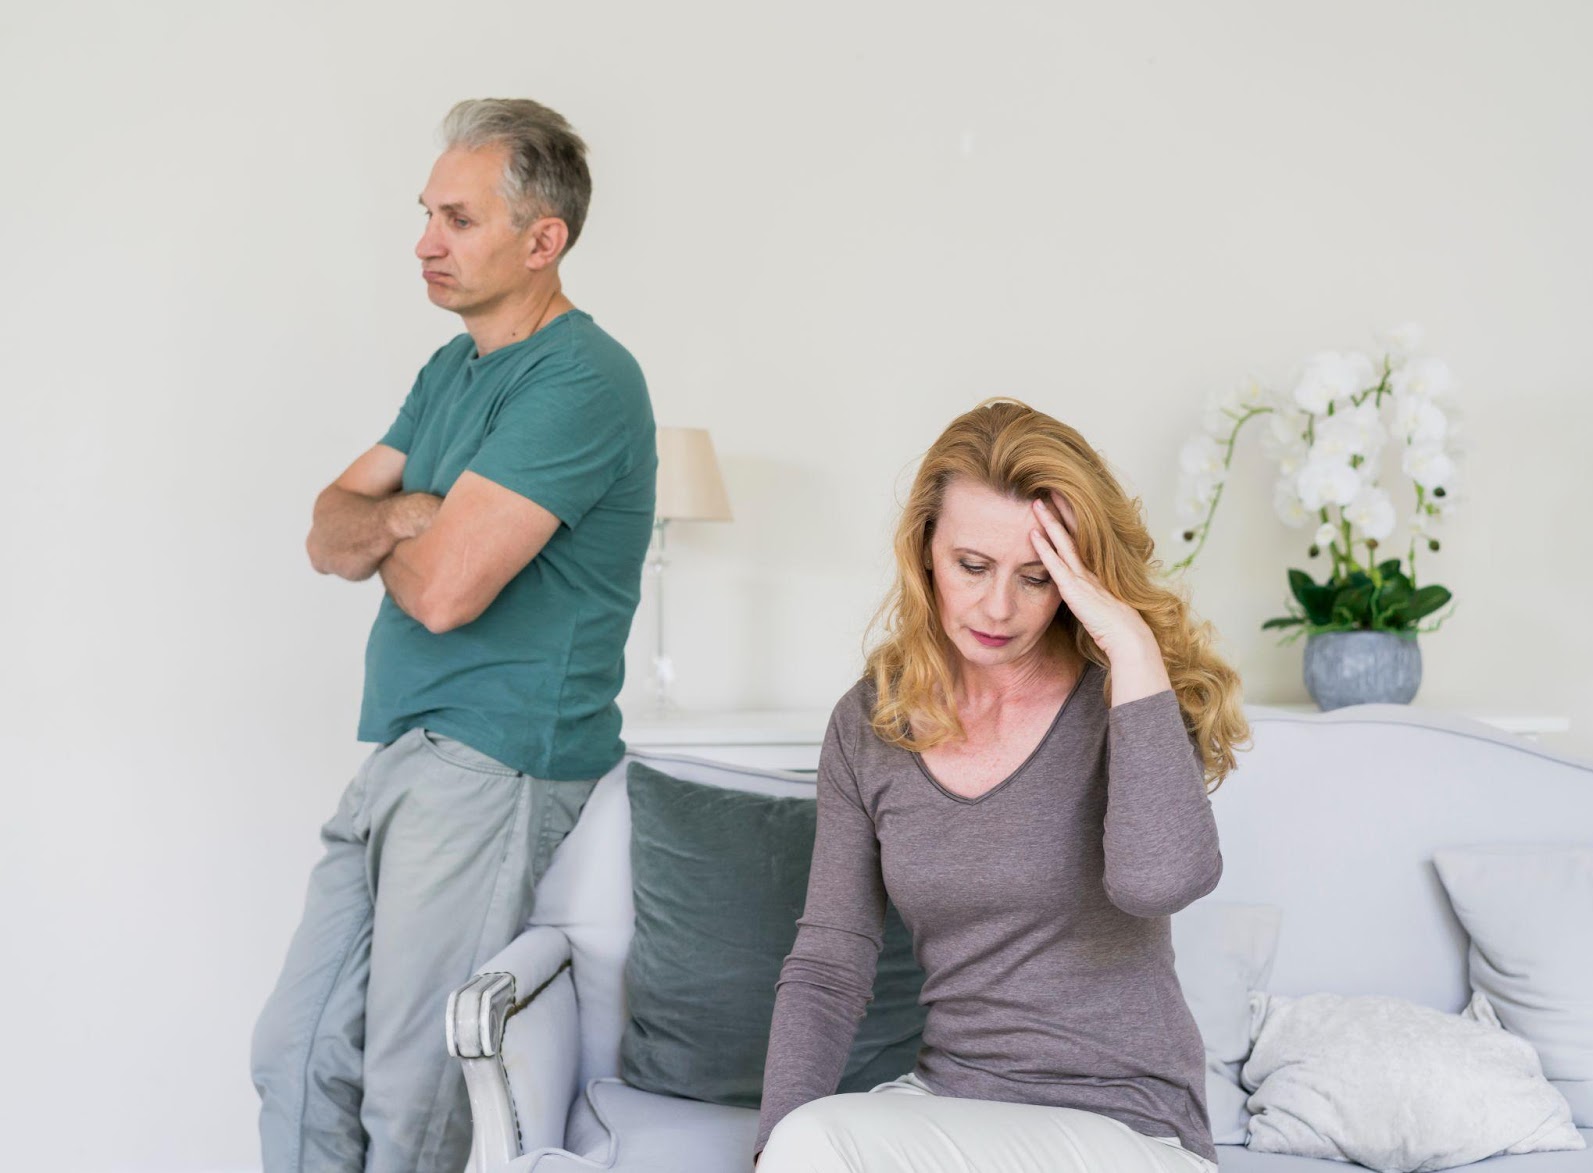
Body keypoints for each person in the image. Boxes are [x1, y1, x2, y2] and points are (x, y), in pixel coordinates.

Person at [250, 98, 656, 1173]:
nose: (425, 242)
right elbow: (325, 528)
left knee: (411, 1098)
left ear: (543, 239)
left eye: (458, 219)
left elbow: (442, 597)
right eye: (427, 214)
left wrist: (396, 529)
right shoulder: (449, 371)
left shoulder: (581, 379)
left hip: (494, 758)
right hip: (401, 753)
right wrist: (406, 519)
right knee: (292, 1056)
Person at [754, 398, 1250, 1173]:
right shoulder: (870, 722)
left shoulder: (1124, 698)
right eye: (973, 566)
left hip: (1131, 1128)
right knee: (807, 1140)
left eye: (1036, 575)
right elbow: (829, 963)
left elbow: (1159, 881)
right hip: (953, 1109)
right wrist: (770, 1152)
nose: (998, 608)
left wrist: (1132, 645)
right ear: (925, 552)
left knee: (823, 1143)